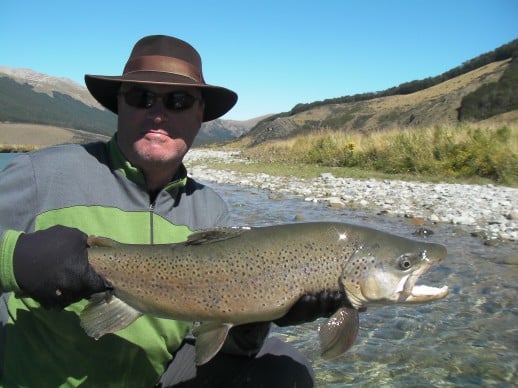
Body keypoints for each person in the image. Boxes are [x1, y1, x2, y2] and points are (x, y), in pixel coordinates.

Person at [0, 35, 346, 387]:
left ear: (200, 116)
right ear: (120, 105)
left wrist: (259, 318)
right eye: (141, 97)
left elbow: (208, 345)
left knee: (285, 367)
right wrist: (14, 259)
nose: (158, 113)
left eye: (178, 101)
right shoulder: (41, 174)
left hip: (156, 377)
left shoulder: (209, 211)